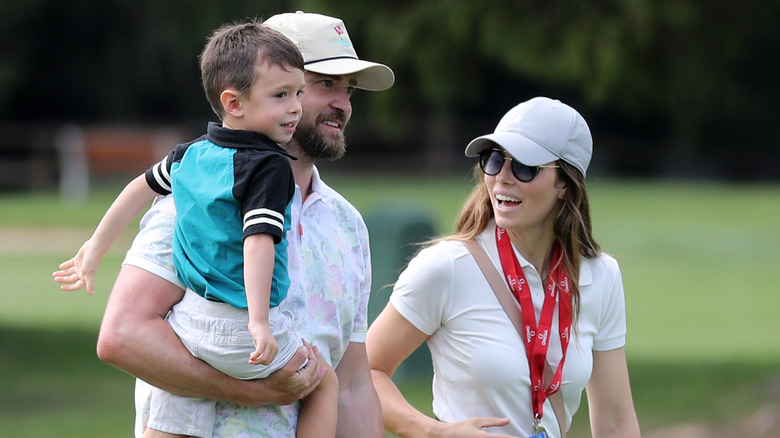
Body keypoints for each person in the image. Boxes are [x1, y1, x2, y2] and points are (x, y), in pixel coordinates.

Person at [53, 11, 393, 438]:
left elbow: (354, 387)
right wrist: (248, 390)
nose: (343, 104)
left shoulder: (347, 224)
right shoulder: (199, 196)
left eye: (350, 89)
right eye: (325, 84)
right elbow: (123, 336)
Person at [366, 97, 641, 437]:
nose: (502, 178)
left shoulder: (601, 275)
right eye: (494, 160)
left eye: (525, 166)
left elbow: (616, 423)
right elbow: (366, 371)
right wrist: (431, 432)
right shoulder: (447, 266)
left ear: (564, 185)